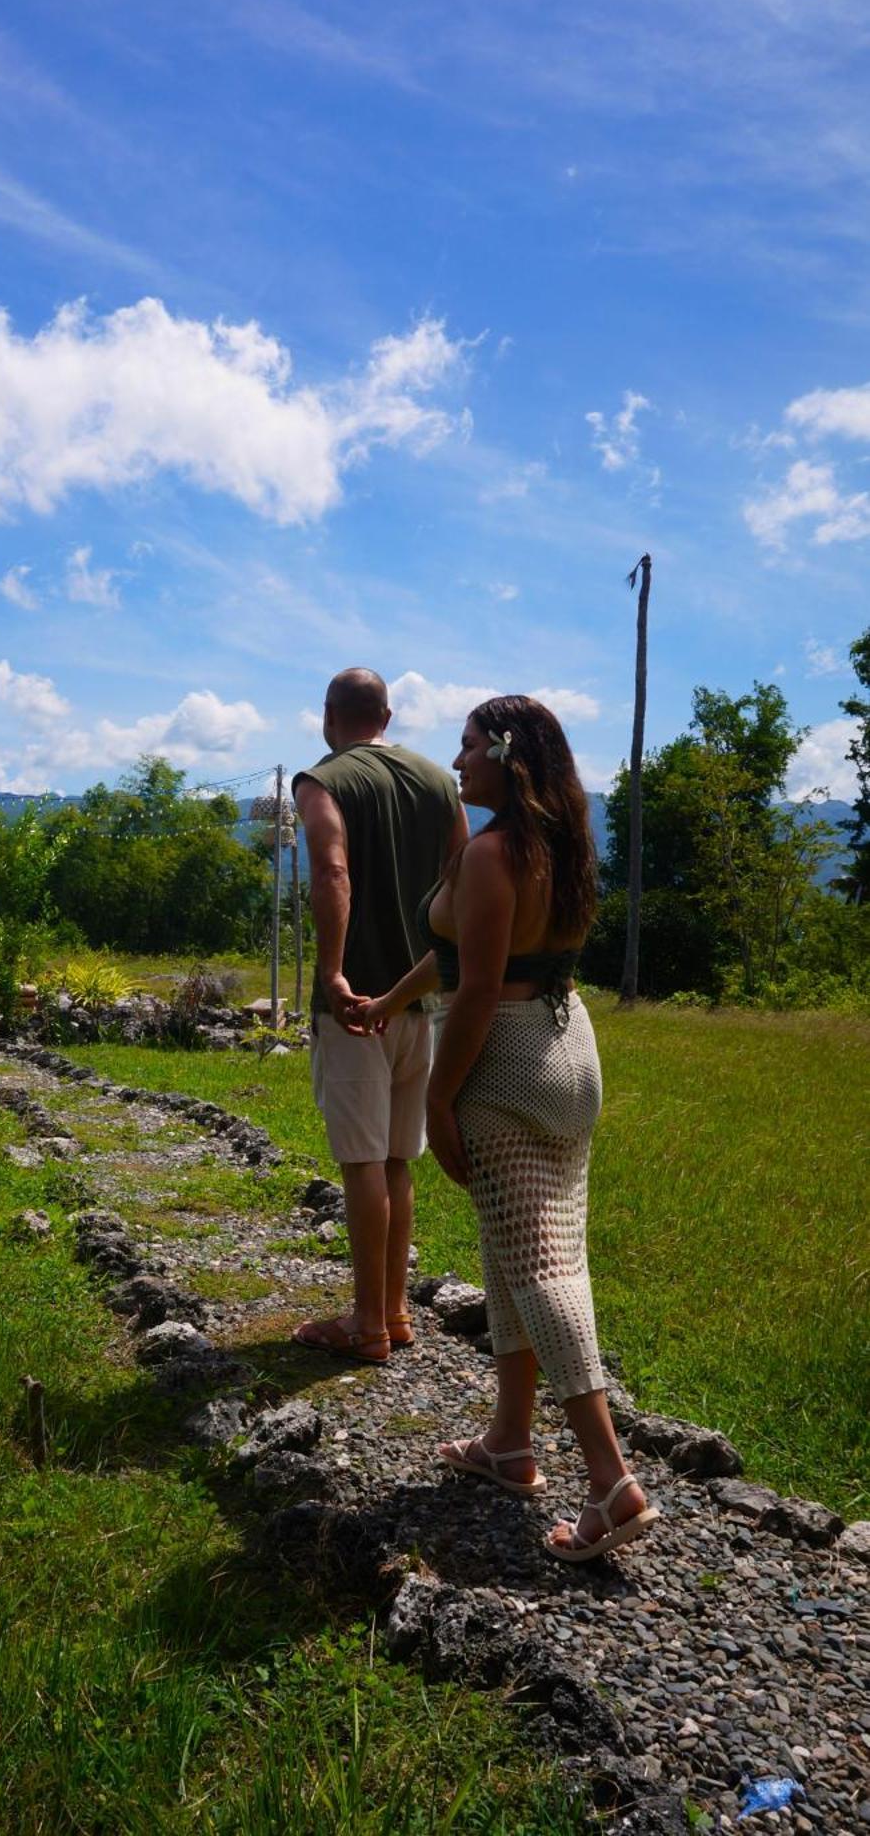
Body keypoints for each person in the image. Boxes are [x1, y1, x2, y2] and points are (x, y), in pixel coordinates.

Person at [355, 695, 658, 1563]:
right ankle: (510, 1443)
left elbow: (480, 988)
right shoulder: (558, 851)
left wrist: (441, 1099)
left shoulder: (489, 855)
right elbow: (459, 961)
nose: (456, 763)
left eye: (465, 747)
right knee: (519, 1248)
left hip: (504, 1063)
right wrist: (388, 1001)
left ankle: (611, 1481)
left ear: (505, 754)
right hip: (570, 1052)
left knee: (542, 1264)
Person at [290, 667, 468, 1367]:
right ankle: (394, 1313)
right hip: (418, 998)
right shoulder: (438, 782)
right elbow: (463, 880)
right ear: (387, 715)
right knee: (397, 1162)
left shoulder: (324, 779)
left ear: (328, 715)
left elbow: (333, 871)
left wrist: (332, 970)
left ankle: (365, 1325)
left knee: (361, 1163)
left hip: (358, 1005)